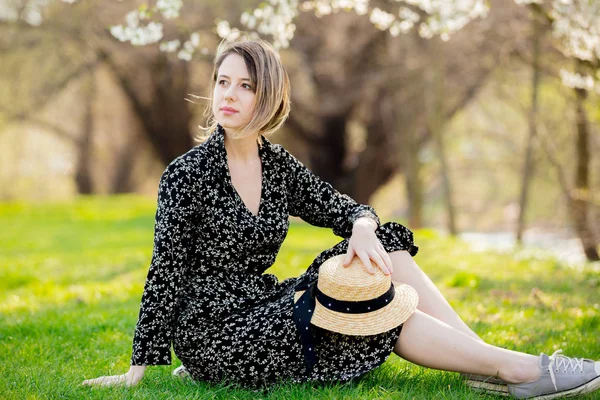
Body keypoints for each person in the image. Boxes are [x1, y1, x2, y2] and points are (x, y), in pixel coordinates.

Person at [82, 38, 600, 399]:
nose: (229, 96)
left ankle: (485, 363)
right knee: (356, 304)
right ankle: (516, 369)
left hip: (263, 302)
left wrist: (360, 225)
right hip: (214, 330)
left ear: (267, 96)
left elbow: (350, 208)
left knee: (383, 249)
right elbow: (164, 274)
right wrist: (138, 369)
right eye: (222, 82)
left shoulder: (276, 165)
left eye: (243, 85)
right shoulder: (186, 175)